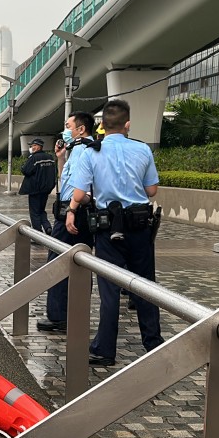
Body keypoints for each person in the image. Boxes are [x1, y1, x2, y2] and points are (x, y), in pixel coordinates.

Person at [65, 99, 163, 366]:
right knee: (145, 286)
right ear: (127, 124)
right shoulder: (142, 150)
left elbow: (79, 194)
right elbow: (151, 191)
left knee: (109, 289)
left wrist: (73, 210)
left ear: (101, 126)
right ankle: (153, 344)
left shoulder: (89, 152)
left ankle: (104, 349)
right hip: (140, 227)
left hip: (107, 228)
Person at [37, 112, 96, 333]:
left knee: (60, 262)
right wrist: (61, 158)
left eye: (68, 125)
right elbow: (67, 181)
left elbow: (83, 186)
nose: (65, 130)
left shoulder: (85, 150)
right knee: (77, 263)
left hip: (74, 213)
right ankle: (71, 314)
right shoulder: (76, 150)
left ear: (81, 129)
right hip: (69, 210)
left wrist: (72, 209)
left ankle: (61, 316)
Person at [19, 138, 57, 234]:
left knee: (35, 212)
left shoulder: (34, 158)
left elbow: (26, 170)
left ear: (38, 146)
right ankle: (47, 227)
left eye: (33, 146)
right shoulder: (50, 157)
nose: (31, 147)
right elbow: (54, 172)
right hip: (46, 189)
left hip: (35, 190)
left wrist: (22, 166)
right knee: (41, 210)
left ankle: (37, 234)